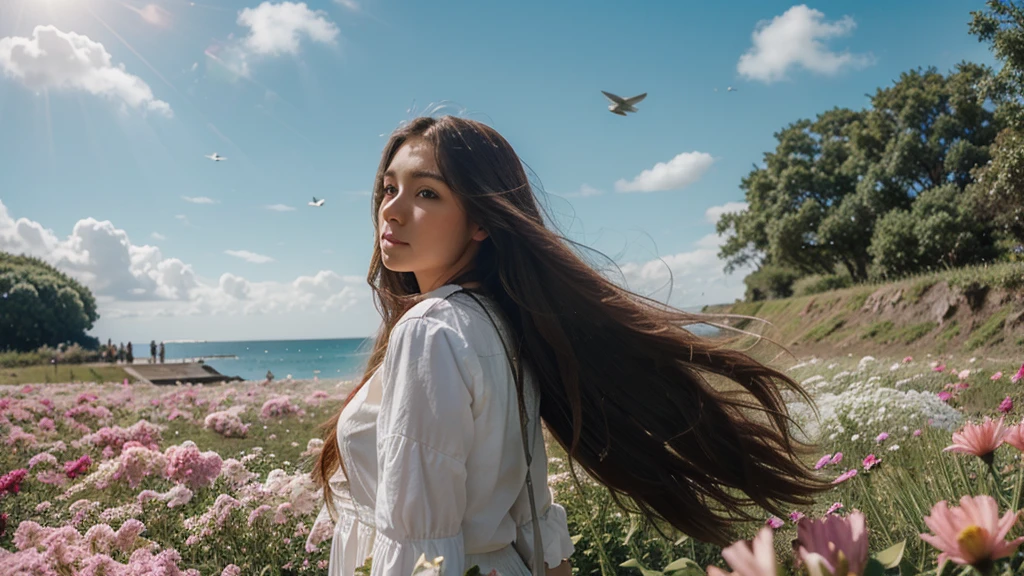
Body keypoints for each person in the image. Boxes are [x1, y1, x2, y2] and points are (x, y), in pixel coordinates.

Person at [311, 116, 829, 576]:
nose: (392, 211)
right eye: (388, 188)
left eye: (427, 193)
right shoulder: (498, 321)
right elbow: (528, 507)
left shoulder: (430, 330)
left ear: (482, 222)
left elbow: (420, 547)